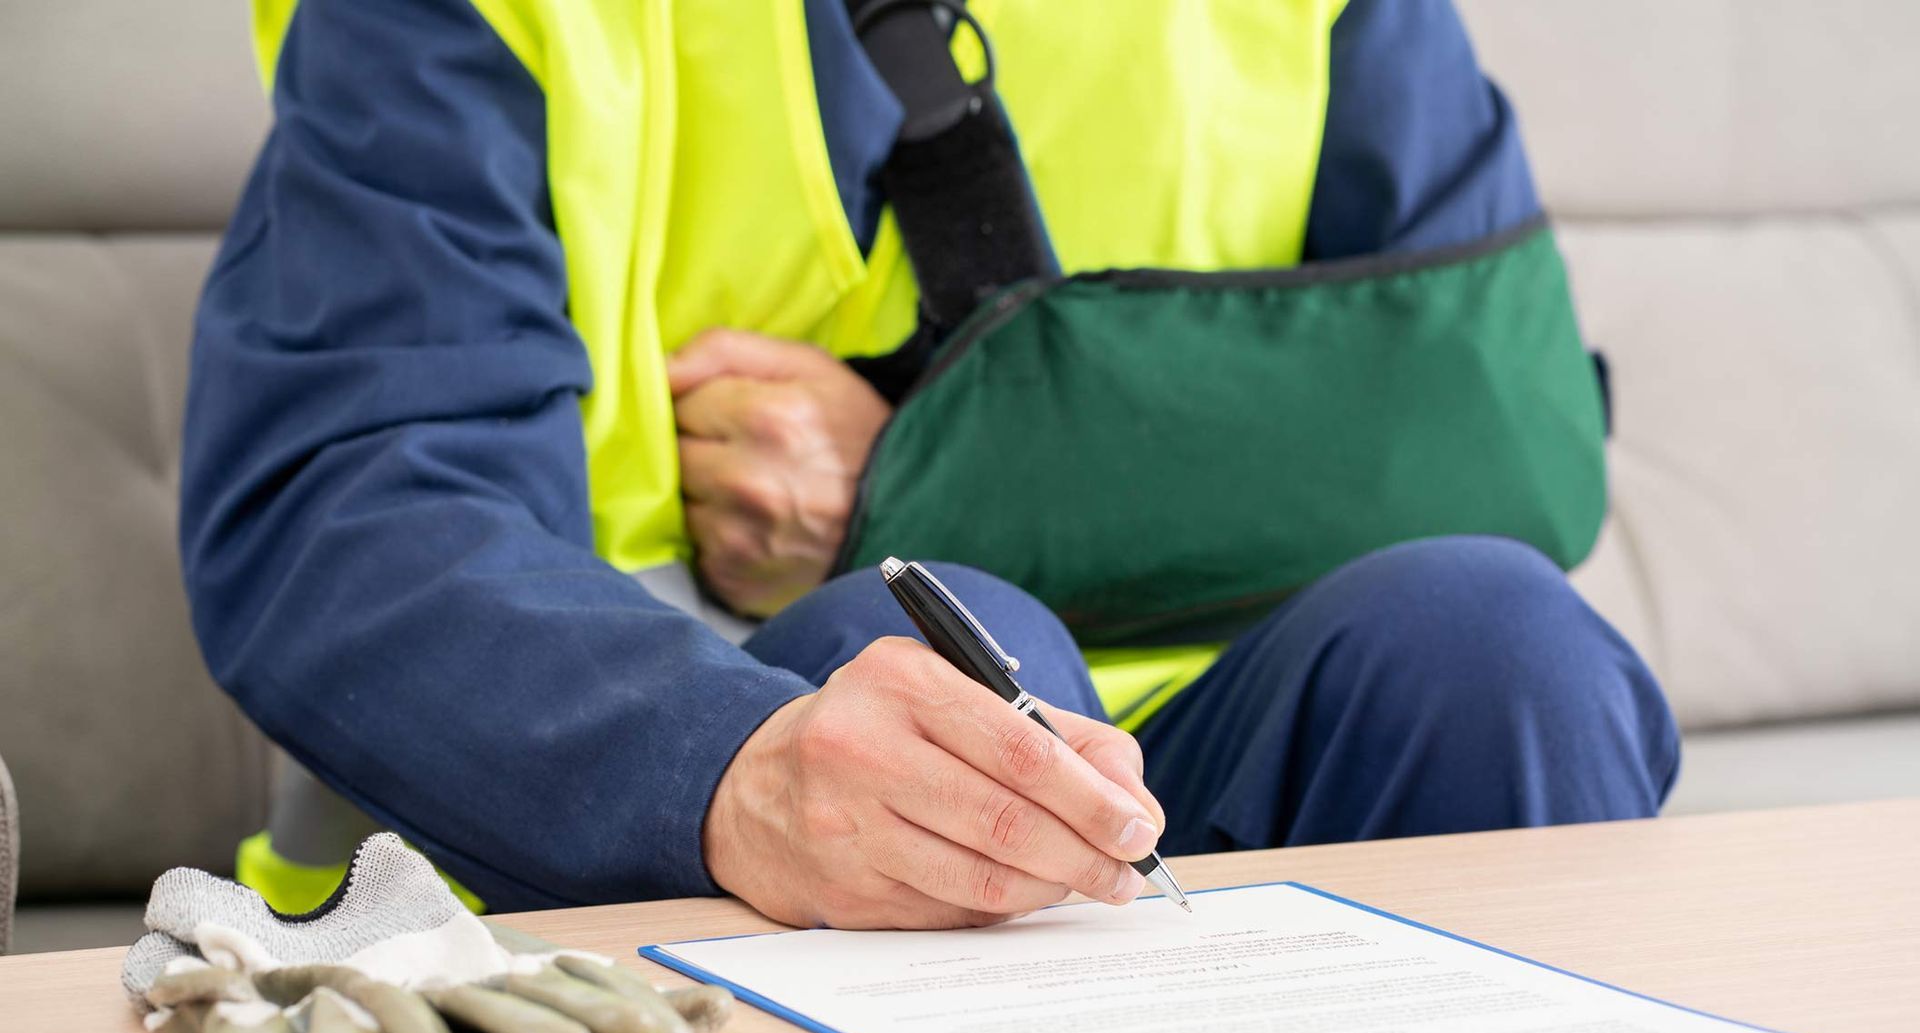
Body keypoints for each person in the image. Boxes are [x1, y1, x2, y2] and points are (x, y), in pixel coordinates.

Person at [180, 0, 1678, 926]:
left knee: (1505, 647)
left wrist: (920, 464)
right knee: (932, 685)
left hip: (1219, 762)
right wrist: (727, 768)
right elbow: (343, 496)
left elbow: (1507, 439)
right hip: (635, 798)